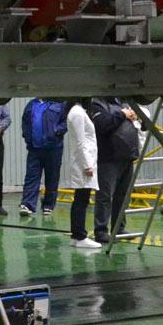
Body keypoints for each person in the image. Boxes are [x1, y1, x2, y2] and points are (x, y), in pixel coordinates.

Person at [90, 97, 142, 244]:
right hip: (108, 158)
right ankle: (101, 231)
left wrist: (134, 116)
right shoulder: (97, 104)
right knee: (105, 196)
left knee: (123, 196)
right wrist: (123, 114)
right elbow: (103, 125)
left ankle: (119, 227)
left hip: (127, 157)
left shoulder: (123, 102)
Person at [60, 100, 100, 250]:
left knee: (81, 199)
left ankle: (77, 235)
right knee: (81, 200)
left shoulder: (78, 111)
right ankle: (80, 236)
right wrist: (87, 165)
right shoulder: (77, 113)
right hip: (83, 163)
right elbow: (80, 142)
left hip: (85, 161)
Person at [19, 97, 67, 217]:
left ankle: (48, 206)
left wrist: (57, 131)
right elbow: (25, 122)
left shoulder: (59, 104)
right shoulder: (31, 105)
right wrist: (26, 137)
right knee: (31, 177)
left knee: (52, 177)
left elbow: (66, 121)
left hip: (53, 148)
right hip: (34, 148)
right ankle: (27, 205)